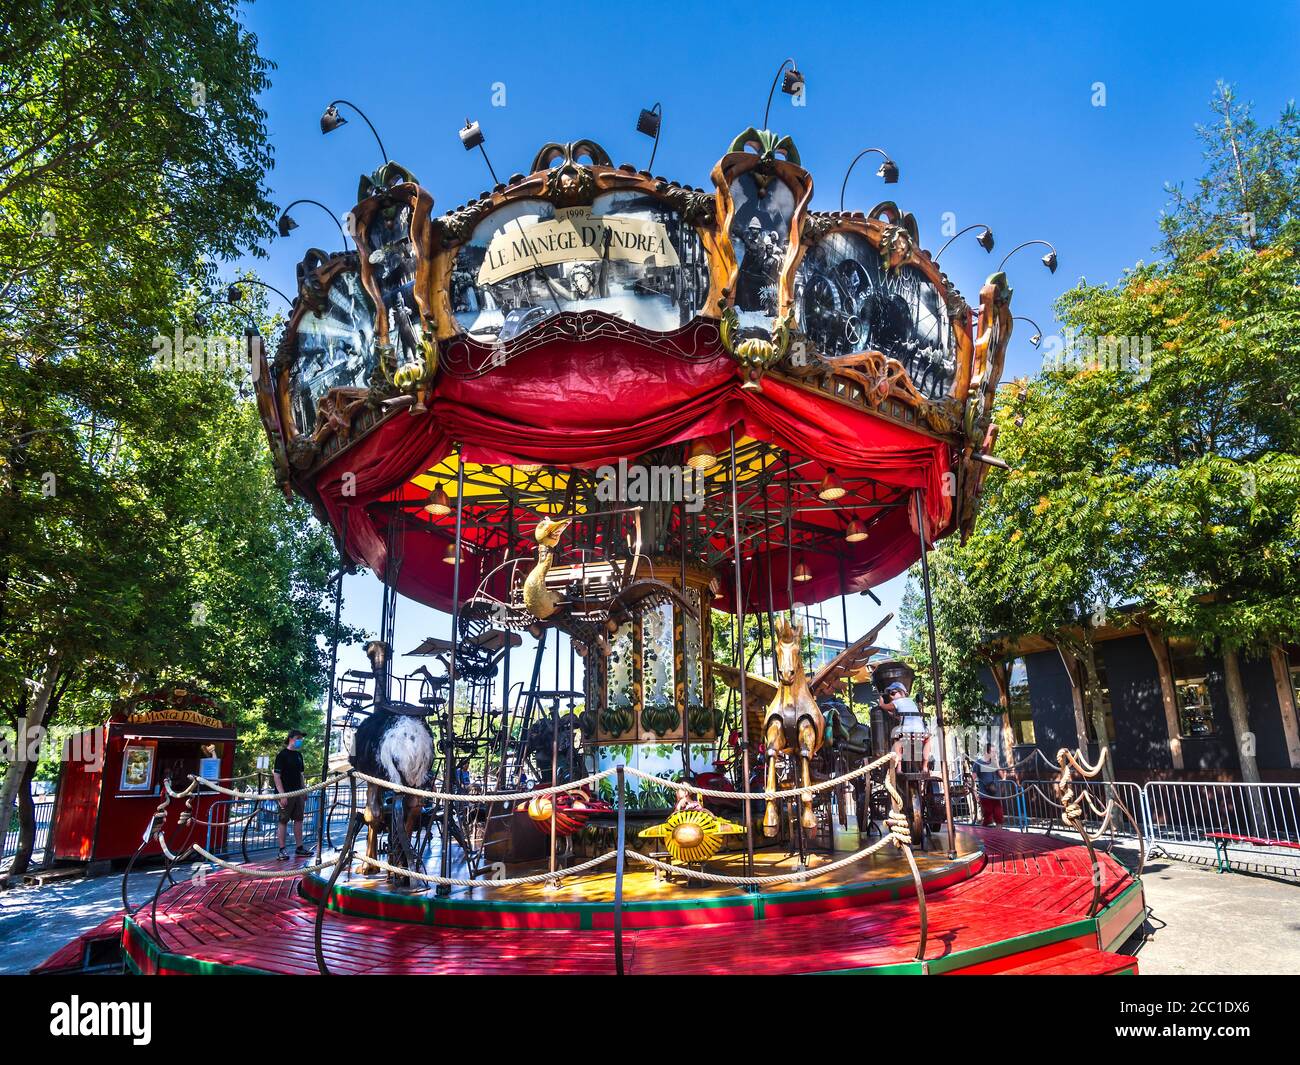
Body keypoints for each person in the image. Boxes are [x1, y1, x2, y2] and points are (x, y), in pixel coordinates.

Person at [274, 730, 312, 860]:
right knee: (283, 820)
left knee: (299, 819)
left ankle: (299, 847)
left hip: (298, 793)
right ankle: (282, 849)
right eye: (298, 737)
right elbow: (277, 776)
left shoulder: (299, 756)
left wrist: (304, 790)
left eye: (301, 738)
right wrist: (282, 795)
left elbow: (301, 775)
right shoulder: (282, 755)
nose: (301, 740)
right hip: (286, 793)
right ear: (291, 739)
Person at [879, 681, 931, 771]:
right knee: (928, 740)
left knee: (897, 742)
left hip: (907, 733)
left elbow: (884, 706)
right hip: (920, 732)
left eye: (892, 693)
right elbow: (902, 717)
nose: (891, 696)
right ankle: (925, 766)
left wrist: (881, 701)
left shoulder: (897, 702)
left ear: (901, 693)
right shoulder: (911, 702)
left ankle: (899, 768)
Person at [974, 743, 1004, 827]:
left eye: (995, 752)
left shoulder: (994, 763)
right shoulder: (978, 763)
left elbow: (1003, 776)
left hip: (996, 795)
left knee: (999, 817)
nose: (995, 754)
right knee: (988, 818)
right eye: (993, 752)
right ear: (987, 752)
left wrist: (997, 764)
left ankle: (999, 836)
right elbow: (972, 778)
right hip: (985, 795)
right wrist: (975, 793)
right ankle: (985, 836)